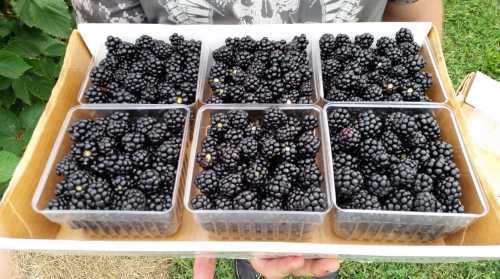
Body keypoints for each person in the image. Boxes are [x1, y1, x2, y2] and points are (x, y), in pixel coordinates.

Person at [71, 0, 443, 278]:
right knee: (252, 236)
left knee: (316, 251)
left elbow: (418, 23)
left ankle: (300, 253)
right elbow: (111, 41)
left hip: (308, 123)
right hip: (219, 108)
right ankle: (245, 254)